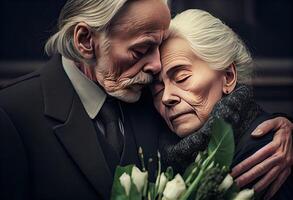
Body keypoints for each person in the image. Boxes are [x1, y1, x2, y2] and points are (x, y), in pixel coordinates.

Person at [0, 1, 291, 199]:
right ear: (86, 41)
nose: (154, 67)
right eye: (141, 50)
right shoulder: (12, 114)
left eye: (159, 48)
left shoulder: (142, 90)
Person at [151, 9, 293, 199]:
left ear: (228, 76)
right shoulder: (158, 159)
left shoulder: (266, 154)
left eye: (182, 77)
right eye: (157, 89)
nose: (166, 97)